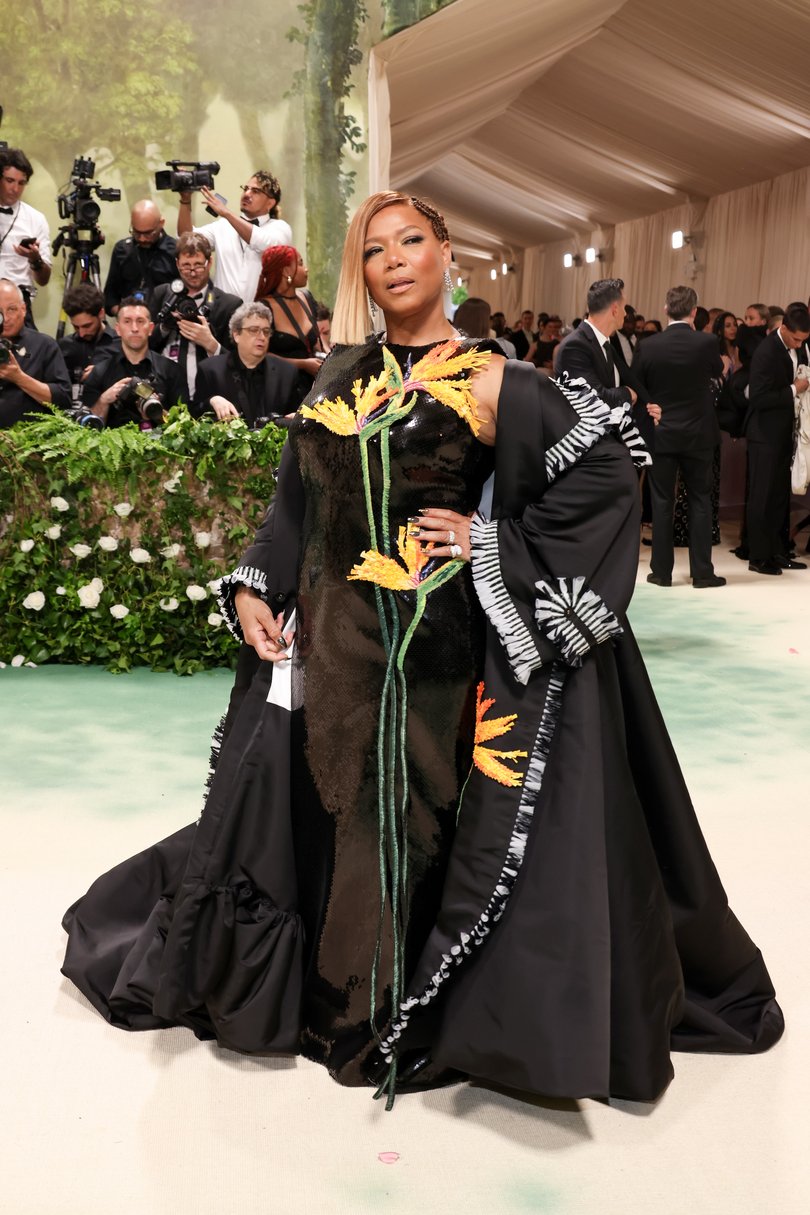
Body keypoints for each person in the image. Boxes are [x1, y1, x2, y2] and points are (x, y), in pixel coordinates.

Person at [62, 191, 783, 1109]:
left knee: (403, 815)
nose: (393, 260)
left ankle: (375, 1009)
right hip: (328, 638)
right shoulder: (339, 370)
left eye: (412, 242)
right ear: (359, 270)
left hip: (430, 650)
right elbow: (301, 497)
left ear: (447, 255)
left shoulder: (493, 376)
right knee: (330, 799)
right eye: (374, 249)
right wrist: (254, 580)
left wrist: (489, 544)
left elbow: (604, 475)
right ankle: (333, 984)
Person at [634, 285, 725, 588]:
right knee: (700, 500)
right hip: (699, 433)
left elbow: (637, 382)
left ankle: (661, 572)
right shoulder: (707, 341)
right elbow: (716, 372)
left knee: (661, 501)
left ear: (665, 310)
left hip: (662, 433)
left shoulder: (648, 345)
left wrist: (652, 406)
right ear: (695, 312)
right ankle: (702, 573)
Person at [744, 302, 810, 575]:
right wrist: (794, 389)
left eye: (803, 340)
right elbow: (758, 398)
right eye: (795, 338)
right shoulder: (767, 351)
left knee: (779, 498)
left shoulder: (797, 348)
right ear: (783, 328)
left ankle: (777, 551)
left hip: (784, 433)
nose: (799, 344)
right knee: (762, 497)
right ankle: (758, 557)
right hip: (764, 435)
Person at [555, 278, 656, 445]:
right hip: (586, 449)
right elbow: (593, 399)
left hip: (609, 441)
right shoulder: (574, 346)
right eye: (624, 307)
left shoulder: (604, 342)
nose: (625, 313)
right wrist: (627, 393)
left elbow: (629, 378)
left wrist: (650, 406)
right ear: (615, 309)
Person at [149, 232, 241, 399]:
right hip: (164, 392)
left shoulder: (229, 305)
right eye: (186, 265)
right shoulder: (162, 294)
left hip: (210, 394)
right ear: (177, 264)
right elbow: (146, 344)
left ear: (209, 262)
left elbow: (240, 363)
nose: (192, 272)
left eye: (198, 265)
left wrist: (211, 344)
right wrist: (163, 328)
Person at [177, 171, 292, 303]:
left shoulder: (280, 228)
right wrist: (185, 201)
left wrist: (226, 213)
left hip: (261, 315)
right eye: (246, 189)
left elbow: (264, 243)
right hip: (222, 313)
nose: (247, 194)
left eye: (255, 191)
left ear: (270, 203)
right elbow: (186, 238)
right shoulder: (223, 226)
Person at [190, 301, 300, 426]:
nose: (262, 337)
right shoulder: (210, 370)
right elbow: (194, 415)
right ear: (236, 334)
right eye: (254, 330)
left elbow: (296, 415)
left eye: (266, 331)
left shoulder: (287, 373)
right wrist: (211, 401)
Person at [82, 296, 184, 427]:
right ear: (118, 329)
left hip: (159, 445)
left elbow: (183, 428)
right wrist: (104, 400)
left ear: (151, 328)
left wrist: (156, 412)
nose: (134, 328)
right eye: (127, 321)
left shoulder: (172, 371)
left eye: (140, 321)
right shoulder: (99, 373)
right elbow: (88, 431)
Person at [254, 245, 325, 403]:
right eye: (300, 264)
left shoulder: (306, 297)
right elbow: (258, 354)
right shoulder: (264, 307)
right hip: (282, 390)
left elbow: (317, 342)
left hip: (315, 388)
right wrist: (302, 364)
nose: (306, 269)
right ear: (286, 271)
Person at [0, 279, 71, 426]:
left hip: (30, 441)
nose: (5, 319)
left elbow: (63, 399)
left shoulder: (45, 345)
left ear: (23, 309)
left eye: (11, 309)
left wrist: (19, 378)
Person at [0, 148, 52, 326]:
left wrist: (35, 258)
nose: (15, 189)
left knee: (31, 352)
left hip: (19, 303)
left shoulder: (36, 219)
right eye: (9, 181)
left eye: (21, 183)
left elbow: (43, 279)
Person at [103, 200, 177, 315]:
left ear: (161, 223)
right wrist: (123, 315)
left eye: (148, 233)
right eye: (137, 233)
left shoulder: (175, 251)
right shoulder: (122, 250)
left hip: (165, 324)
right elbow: (110, 296)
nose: (142, 239)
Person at [58, 283, 119, 398]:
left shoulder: (120, 344)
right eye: (76, 327)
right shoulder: (64, 346)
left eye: (87, 326)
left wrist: (102, 372)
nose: (81, 333)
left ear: (101, 314)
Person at [712, 310, 742, 376]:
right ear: (719, 331)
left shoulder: (740, 349)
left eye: (735, 325)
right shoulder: (715, 351)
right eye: (728, 326)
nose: (733, 328)